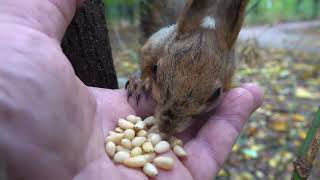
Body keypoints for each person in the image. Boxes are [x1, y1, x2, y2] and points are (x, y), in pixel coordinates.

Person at [0, 0, 263, 179]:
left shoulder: (226, 65)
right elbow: (148, 53)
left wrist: (205, 105)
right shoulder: (164, 43)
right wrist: (146, 75)